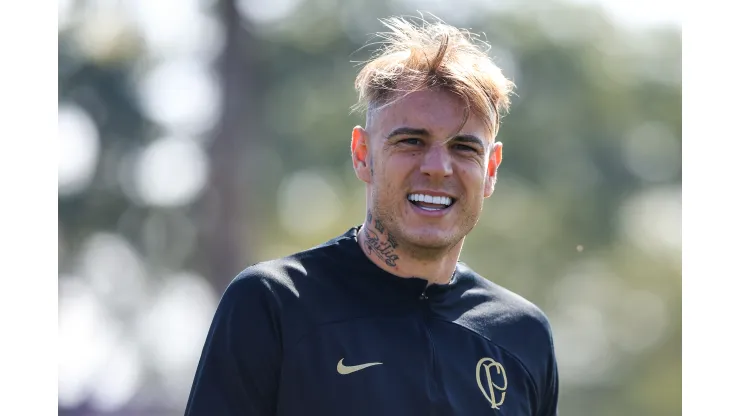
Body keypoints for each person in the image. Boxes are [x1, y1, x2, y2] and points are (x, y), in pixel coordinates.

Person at [185, 15, 559, 416]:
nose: (438, 167)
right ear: (363, 154)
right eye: (411, 141)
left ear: (491, 168)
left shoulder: (523, 335)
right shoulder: (275, 304)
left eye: (464, 148)